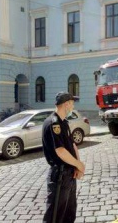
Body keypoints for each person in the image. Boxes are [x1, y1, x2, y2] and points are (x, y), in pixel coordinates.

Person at [42, 92, 85, 223]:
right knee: (55, 216)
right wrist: (78, 165)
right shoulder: (53, 123)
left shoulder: (64, 122)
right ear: (66, 104)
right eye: (72, 103)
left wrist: (77, 165)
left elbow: (72, 144)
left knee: (69, 213)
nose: (73, 106)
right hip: (59, 175)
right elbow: (60, 150)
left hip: (69, 174)